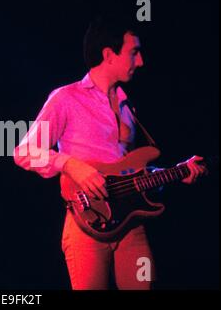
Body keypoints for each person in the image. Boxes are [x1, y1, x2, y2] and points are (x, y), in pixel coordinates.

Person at [13, 17, 207, 290]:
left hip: (132, 227)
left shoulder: (128, 108)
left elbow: (130, 174)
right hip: (86, 228)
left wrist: (177, 171)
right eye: (134, 52)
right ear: (109, 54)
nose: (140, 62)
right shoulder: (66, 98)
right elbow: (24, 152)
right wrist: (68, 163)